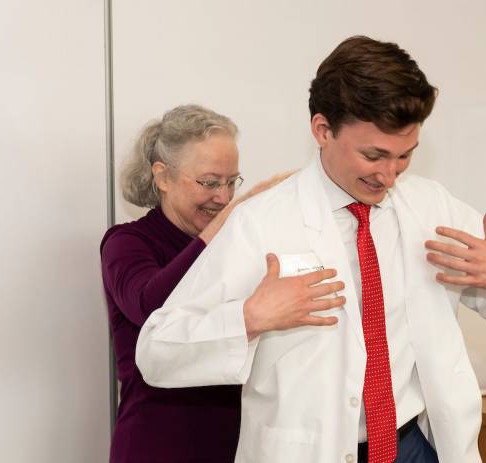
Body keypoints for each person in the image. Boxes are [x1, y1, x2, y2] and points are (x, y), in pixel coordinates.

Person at [135, 38, 486, 463]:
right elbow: (157, 350)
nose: (389, 175)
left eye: (405, 156)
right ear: (322, 130)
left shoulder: (431, 206)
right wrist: (250, 318)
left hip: (414, 446)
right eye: (374, 155)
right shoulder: (262, 221)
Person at [100, 104, 344, 463]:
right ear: (163, 177)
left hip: (236, 443)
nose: (223, 197)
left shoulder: (238, 245)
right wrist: (231, 220)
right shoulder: (127, 242)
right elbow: (150, 307)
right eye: (209, 182)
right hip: (158, 444)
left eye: (232, 182)